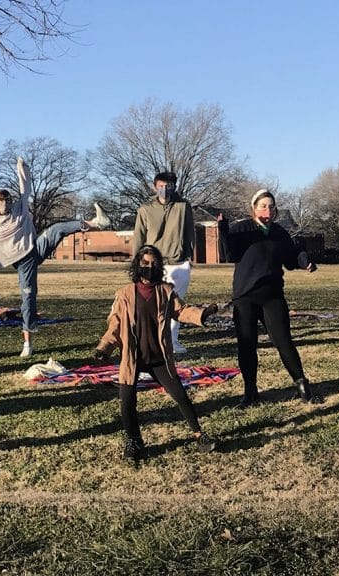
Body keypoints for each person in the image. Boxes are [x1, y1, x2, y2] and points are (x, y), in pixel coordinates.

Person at [0, 156, 110, 357]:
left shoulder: (19, 209)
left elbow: (25, 188)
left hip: (35, 248)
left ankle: (96, 223)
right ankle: (28, 343)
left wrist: (22, 167)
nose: (5, 203)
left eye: (7, 200)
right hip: (23, 262)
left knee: (56, 229)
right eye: (1, 200)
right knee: (28, 299)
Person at [94, 245, 218, 461]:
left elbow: (181, 311)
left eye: (153, 264)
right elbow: (114, 323)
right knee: (127, 401)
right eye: (145, 264)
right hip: (132, 358)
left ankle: (200, 435)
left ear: (159, 266)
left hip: (159, 358)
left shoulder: (166, 291)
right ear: (137, 266)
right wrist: (105, 347)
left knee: (180, 395)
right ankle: (134, 441)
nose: (149, 268)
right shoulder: (124, 295)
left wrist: (201, 315)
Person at [218, 189, 322, 408]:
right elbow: (230, 254)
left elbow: (292, 258)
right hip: (245, 296)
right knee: (247, 345)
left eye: (271, 206)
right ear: (253, 208)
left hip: (272, 295)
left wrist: (305, 261)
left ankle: (303, 386)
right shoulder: (242, 229)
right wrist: (223, 231)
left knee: (283, 341)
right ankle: (250, 392)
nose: (268, 210)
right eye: (263, 206)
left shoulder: (279, 232)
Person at [131, 171, 196, 355]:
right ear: (154, 187)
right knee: (152, 304)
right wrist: (138, 264)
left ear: (174, 186)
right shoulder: (145, 209)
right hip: (153, 264)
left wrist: (190, 258)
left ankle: (172, 341)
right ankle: (151, 341)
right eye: (160, 186)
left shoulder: (183, 206)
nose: (164, 190)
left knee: (175, 304)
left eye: (168, 186)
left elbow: (190, 232)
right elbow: (139, 237)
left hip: (178, 262)